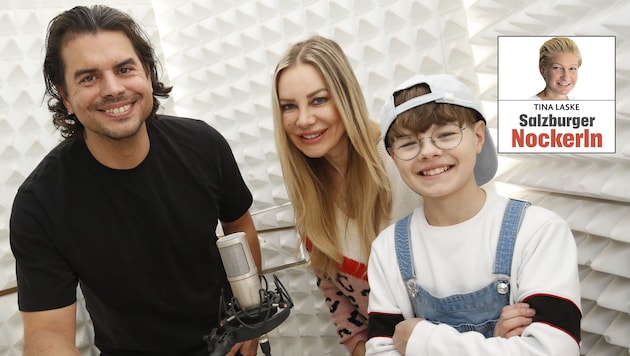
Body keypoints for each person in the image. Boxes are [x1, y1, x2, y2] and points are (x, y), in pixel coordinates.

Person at [9, 5, 260, 356]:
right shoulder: (40, 203)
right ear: (64, 95)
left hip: (229, 345)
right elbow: (48, 331)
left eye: (124, 69)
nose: (113, 89)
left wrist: (251, 316)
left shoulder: (204, 145)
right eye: (88, 77)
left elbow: (239, 227)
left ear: (147, 72)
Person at [366, 74, 582, 355]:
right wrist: (497, 345)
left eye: (445, 134)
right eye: (408, 143)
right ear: (393, 157)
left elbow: (555, 351)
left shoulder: (539, 231)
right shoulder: (387, 250)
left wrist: (420, 340)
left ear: (478, 136)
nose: (428, 151)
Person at [271, 35, 422, 355]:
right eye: (289, 106)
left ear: (345, 96)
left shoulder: (404, 160)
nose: (304, 119)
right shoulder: (309, 196)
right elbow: (337, 299)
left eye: (318, 100)